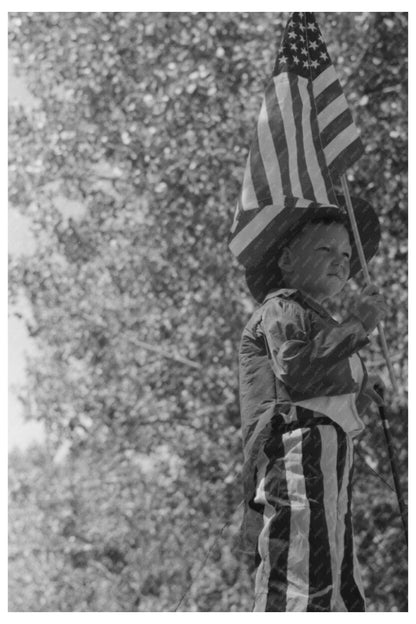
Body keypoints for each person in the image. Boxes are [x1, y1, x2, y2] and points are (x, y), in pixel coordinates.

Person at [238, 201, 387, 612]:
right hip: (296, 448)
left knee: (336, 561)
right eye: (325, 250)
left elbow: (325, 385)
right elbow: (295, 370)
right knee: (301, 566)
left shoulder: (322, 320)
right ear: (287, 259)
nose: (340, 263)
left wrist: (359, 388)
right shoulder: (282, 307)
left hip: (331, 453)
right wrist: (357, 327)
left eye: (345, 255)